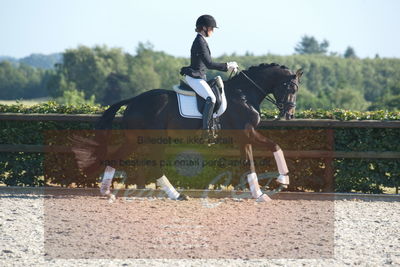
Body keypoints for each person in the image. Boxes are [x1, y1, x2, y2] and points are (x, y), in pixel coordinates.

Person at [180, 14, 239, 131]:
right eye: (211, 28)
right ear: (204, 28)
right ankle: (206, 130)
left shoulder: (201, 40)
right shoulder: (200, 42)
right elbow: (209, 64)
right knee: (211, 98)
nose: (212, 31)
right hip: (195, 77)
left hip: (199, 76)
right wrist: (227, 65)